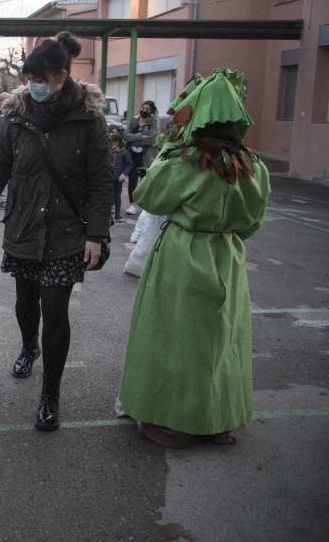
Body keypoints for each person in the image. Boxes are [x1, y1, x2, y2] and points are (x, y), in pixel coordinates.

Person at [0, 31, 112, 432]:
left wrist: (96, 234)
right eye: (29, 78)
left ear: (61, 76)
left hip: (66, 233)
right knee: (26, 302)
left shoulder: (89, 122)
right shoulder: (16, 118)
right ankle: (29, 346)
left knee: (55, 309)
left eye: (40, 79)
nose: (33, 86)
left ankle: (50, 395)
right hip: (25, 227)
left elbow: (101, 181)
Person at [117, 68, 270, 448]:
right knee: (220, 337)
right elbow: (252, 223)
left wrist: (170, 150)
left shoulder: (183, 162)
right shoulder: (254, 168)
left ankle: (174, 422)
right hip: (227, 255)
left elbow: (148, 198)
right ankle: (217, 421)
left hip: (183, 253)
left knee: (174, 335)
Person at [123, 99, 159, 215]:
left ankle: (144, 205)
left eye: (147, 109)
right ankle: (132, 204)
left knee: (144, 181)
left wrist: (134, 139)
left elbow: (151, 139)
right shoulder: (134, 121)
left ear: (151, 112)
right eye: (143, 108)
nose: (143, 111)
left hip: (145, 157)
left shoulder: (152, 123)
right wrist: (140, 136)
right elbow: (126, 136)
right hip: (131, 156)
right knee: (132, 180)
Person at [109, 133, 135, 222]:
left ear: (119, 142)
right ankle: (110, 213)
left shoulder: (124, 153)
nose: (113, 144)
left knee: (117, 196)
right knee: (108, 195)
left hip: (118, 178)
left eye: (115, 142)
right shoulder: (109, 152)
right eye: (112, 142)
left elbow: (129, 164)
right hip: (108, 177)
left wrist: (124, 174)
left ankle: (117, 214)